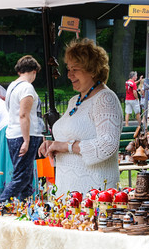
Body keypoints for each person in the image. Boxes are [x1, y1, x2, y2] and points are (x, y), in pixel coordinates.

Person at [38, 39, 121, 194]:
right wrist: (53, 145)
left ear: (93, 70)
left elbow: (107, 145)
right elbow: (71, 136)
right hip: (68, 187)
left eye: (75, 69)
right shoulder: (74, 101)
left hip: (94, 190)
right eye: (68, 69)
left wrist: (66, 146)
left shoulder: (105, 99)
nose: (69, 75)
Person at [0, 55, 44, 200]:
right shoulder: (27, 88)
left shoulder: (12, 86)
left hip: (13, 133)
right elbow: (23, 115)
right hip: (25, 134)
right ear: (34, 71)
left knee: (27, 176)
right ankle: (1, 202)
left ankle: (26, 205)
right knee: (22, 176)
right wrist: (26, 140)